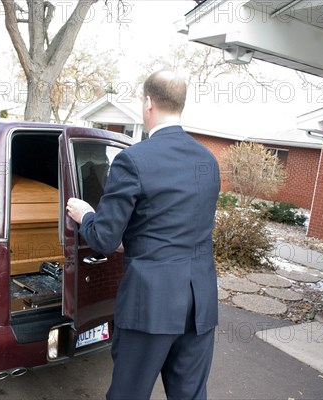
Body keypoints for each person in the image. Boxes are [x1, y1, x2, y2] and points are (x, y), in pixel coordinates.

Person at [66, 70, 221, 400]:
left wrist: (85, 215)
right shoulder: (208, 161)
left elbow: (104, 239)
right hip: (200, 304)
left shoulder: (133, 160)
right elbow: (180, 226)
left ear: (148, 103)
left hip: (151, 304)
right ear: (180, 104)